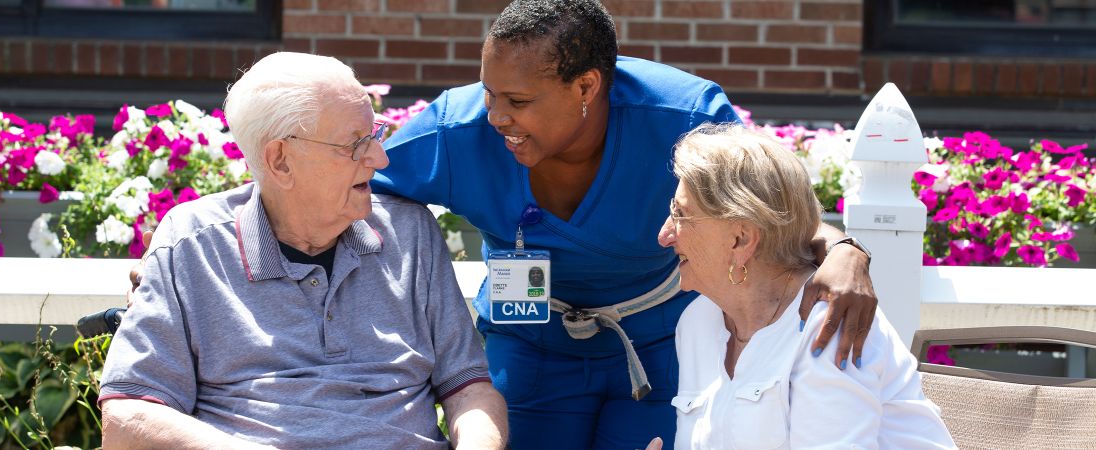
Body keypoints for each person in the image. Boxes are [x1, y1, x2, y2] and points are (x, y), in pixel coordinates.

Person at [371, 0, 879, 447]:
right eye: (489, 93)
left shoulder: (682, 115)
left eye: (518, 101)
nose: (495, 116)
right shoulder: (455, 130)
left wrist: (842, 250)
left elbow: (765, 211)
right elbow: (352, 186)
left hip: (662, 343)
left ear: (586, 85)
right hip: (529, 341)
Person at [99, 52, 507, 449]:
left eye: (375, 133)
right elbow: (129, 414)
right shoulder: (192, 244)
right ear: (280, 161)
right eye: (355, 144)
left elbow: (469, 389)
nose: (379, 158)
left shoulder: (409, 233)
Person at [657, 124, 955, 449]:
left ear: (741, 239)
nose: (665, 234)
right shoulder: (699, 322)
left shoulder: (828, 324)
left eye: (681, 214)